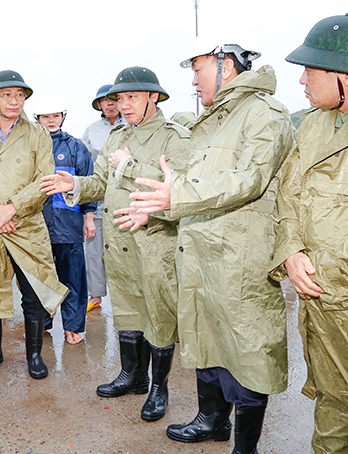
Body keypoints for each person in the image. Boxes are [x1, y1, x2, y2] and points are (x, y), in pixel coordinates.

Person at [121, 38, 294, 453]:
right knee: (205, 338)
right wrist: (160, 208)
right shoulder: (214, 118)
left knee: (246, 350)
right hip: (200, 254)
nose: (193, 81)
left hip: (239, 257)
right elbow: (194, 186)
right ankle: (213, 420)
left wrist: (173, 197)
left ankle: (244, 446)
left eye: (197, 69)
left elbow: (248, 179)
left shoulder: (264, 114)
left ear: (225, 65)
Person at [40, 67, 190, 421]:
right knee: (127, 308)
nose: (123, 105)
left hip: (155, 240)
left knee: (158, 312)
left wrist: (128, 164)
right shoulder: (116, 135)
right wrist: (73, 184)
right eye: (119, 98)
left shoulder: (175, 137)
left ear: (154, 97)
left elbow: (175, 189)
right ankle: (132, 375)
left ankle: (158, 387)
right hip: (120, 242)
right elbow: (101, 182)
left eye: (132, 97)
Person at [0, 70, 68, 379]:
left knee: (33, 291)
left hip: (25, 225)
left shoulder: (37, 134)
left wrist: (12, 209)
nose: (14, 101)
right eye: (6, 94)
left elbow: (45, 179)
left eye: (20, 95)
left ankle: (34, 355)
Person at [270, 14, 348, 453]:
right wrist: (293, 251)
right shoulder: (314, 124)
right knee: (333, 403)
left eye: (311, 70)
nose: (301, 80)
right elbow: (288, 196)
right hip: (320, 303)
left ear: (342, 74)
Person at [32, 91, 96, 345]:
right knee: (39, 278)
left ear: (63, 117)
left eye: (55, 115)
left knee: (73, 279)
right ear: (37, 119)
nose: (51, 120)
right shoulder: (31, 148)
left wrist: (89, 217)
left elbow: (88, 185)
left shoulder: (75, 147)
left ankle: (73, 326)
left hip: (69, 225)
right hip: (37, 225)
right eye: (45, 116)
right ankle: (41, 323)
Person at [80, 85, 125, 312]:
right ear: (99, 105)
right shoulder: (91, 131)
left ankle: (125, 297)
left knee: (124, 250)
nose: (109, 104)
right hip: (98, 203)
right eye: (104, 101)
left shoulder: (132, 127)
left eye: (113, 100)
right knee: (95, 251)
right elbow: (84, 167)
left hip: (126, 201)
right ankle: (95, 295)